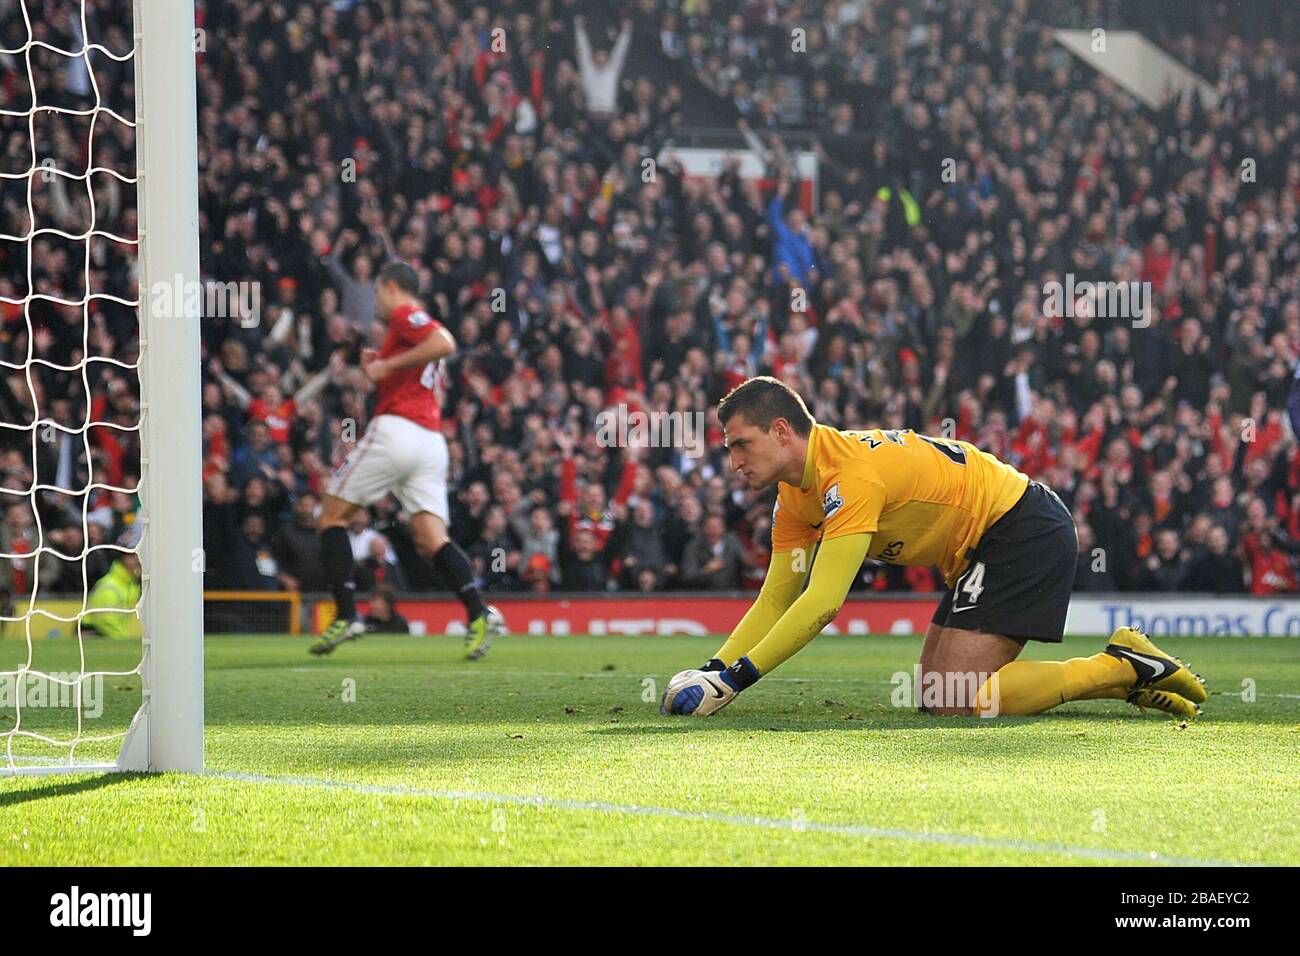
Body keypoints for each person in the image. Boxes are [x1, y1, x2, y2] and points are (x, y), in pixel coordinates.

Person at [661, 377, 1208, 719]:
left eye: (741, 444)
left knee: (957, 697)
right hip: (982, 545)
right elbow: (778, 596)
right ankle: (1128, 677)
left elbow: (823, 601)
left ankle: (1120, 668)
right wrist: (714, 667)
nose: (733, 460)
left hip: (1019, 527)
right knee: (936, 695)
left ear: (782, 430)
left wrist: (735, 681)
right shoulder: (793, 495)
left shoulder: (848, 478)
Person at [309, 262, 505, 658]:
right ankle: (478, 612)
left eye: (379, 293)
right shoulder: (407, 332)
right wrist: (380, 365)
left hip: (398, 432)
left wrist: (386, 364)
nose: (377, 302)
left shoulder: (406, 314)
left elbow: (445, 343)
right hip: (430, 442)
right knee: (432, 539)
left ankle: (346, 615)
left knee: (330, 517)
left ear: (391, 287)